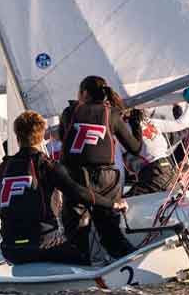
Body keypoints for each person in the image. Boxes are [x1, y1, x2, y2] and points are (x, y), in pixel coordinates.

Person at [0, 110, 127, 266]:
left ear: (17, 136)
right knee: (88, 256)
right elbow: (80, 193)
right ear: (43, 135)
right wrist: (112, 204)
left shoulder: (3, 167)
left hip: (11, 251)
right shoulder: (48, 166)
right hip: (44, 245)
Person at [58, 75, 141, 260]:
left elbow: (64, 139)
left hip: (76, 179)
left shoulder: (68, 112)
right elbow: (135, 149)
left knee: (76, 235)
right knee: (111, 235)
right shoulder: (112, 114)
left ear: (85, 93)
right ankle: (134, 261)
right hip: (107, 180)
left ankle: (80, 268)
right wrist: (136, 124)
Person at [125, 89, 189, 193]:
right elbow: (182, 124)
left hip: (153, 174)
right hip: (168, 171)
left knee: (123, 205)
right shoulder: (152, 123)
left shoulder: (123, 129)